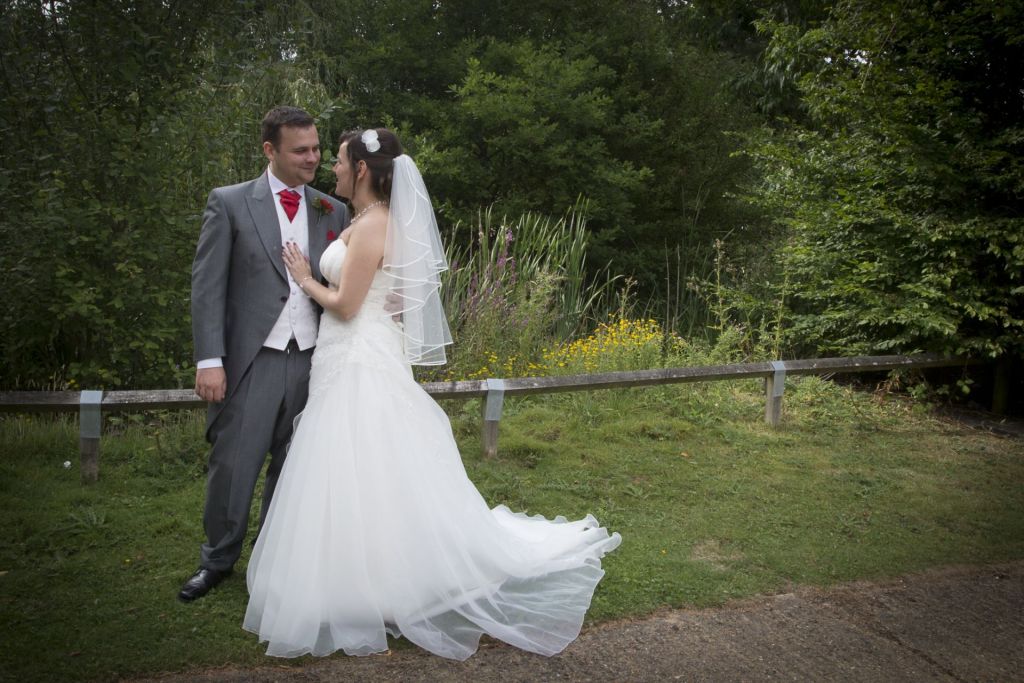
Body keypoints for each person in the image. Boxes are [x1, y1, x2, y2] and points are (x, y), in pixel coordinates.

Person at [243, 127, 620, 660]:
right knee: (364, 461)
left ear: (364, 171)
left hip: (356, 352)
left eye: (342, 162)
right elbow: (394, 299)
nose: (333, 168)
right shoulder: (369, 222)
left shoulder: (374, 225)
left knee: (359, 457)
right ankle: (362, 571)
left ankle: (373, 581)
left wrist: (305, 278)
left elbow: (347, 305)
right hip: (354, 351)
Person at [181, 106, 349, 602]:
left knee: (295, 469)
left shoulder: (330, 210)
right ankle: (217, 561)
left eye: (317, 148)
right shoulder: (230, 203)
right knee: (234, 465)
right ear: (270, 151)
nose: (313, 158)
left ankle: (273, 561)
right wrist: (209, 359)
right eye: (301, 150)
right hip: (252, 361)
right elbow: (206, 286)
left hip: (315, 360)